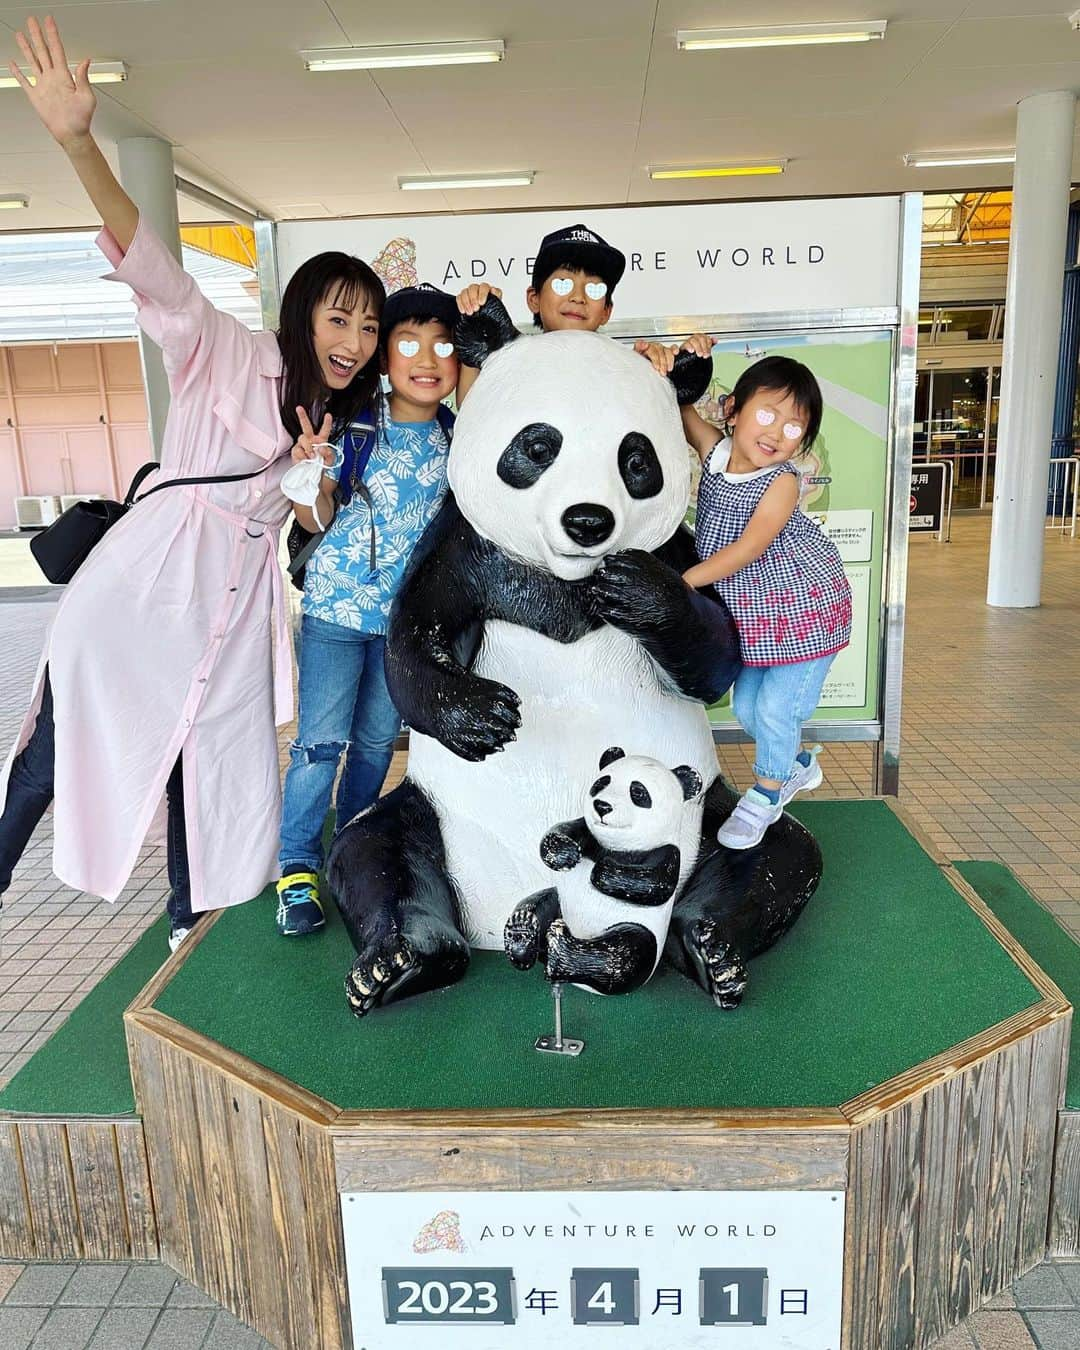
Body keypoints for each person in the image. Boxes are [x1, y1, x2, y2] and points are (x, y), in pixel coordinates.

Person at [0, 15, 384, 949]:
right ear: (303, 316)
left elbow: (312, 534)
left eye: (368, 329)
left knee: (201, 759)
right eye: (341, 319)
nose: (354, 342)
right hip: (147, 585)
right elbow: (155, 270)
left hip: (233, 602)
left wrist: (316, 477)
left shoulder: (332, 424)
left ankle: (187, 916)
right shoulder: (226, 352)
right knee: (58, 749)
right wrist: (79, 141)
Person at [275, 284, 460, 936]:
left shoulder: (456, 442)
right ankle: (296, 866)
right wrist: (309, 478)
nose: (428, 358)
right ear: (385, 356)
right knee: (320, 747)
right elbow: (316, 514)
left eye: (445, 345)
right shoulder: (356, 423)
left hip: (398, 625)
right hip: (332, 612)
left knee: (379, 744)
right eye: (409, 342)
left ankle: (350, 846)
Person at [680, 352, 852, 849]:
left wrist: (686, 582)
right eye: (766, 413)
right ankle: (797, 765)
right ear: (732, 410)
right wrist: (669, 364)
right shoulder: (715, 455)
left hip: (808, 609)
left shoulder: (781, 481)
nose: (777, 433)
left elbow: (750, 546)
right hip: (761, 616)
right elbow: (683, 408)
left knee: (776, 711)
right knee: (751, 708)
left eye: (795, 427)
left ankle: (766, 795)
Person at [454, 223, 625, 402]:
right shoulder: (513, 361)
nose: (578, 297)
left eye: (594, 289)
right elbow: (470, 406)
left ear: (606, 310)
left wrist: (653, 363)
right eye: (563, 283)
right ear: (534, 299)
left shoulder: (622, 369)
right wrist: (477, 320)